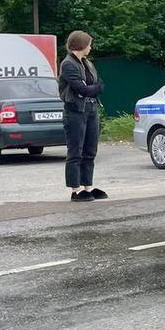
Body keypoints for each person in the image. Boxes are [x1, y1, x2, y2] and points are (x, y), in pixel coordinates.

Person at [59, 30, 107, 202]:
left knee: (90, 149)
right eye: (88, 44)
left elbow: (99, 84)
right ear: (80, 45)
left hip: (91, 108)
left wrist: (91, 89)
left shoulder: (88, 63)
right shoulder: (68, 64)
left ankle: (88, 186)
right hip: (75, 111)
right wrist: (91, 89)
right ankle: (75, 189)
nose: (90, 47)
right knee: (75, 151)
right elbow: (81, 88)